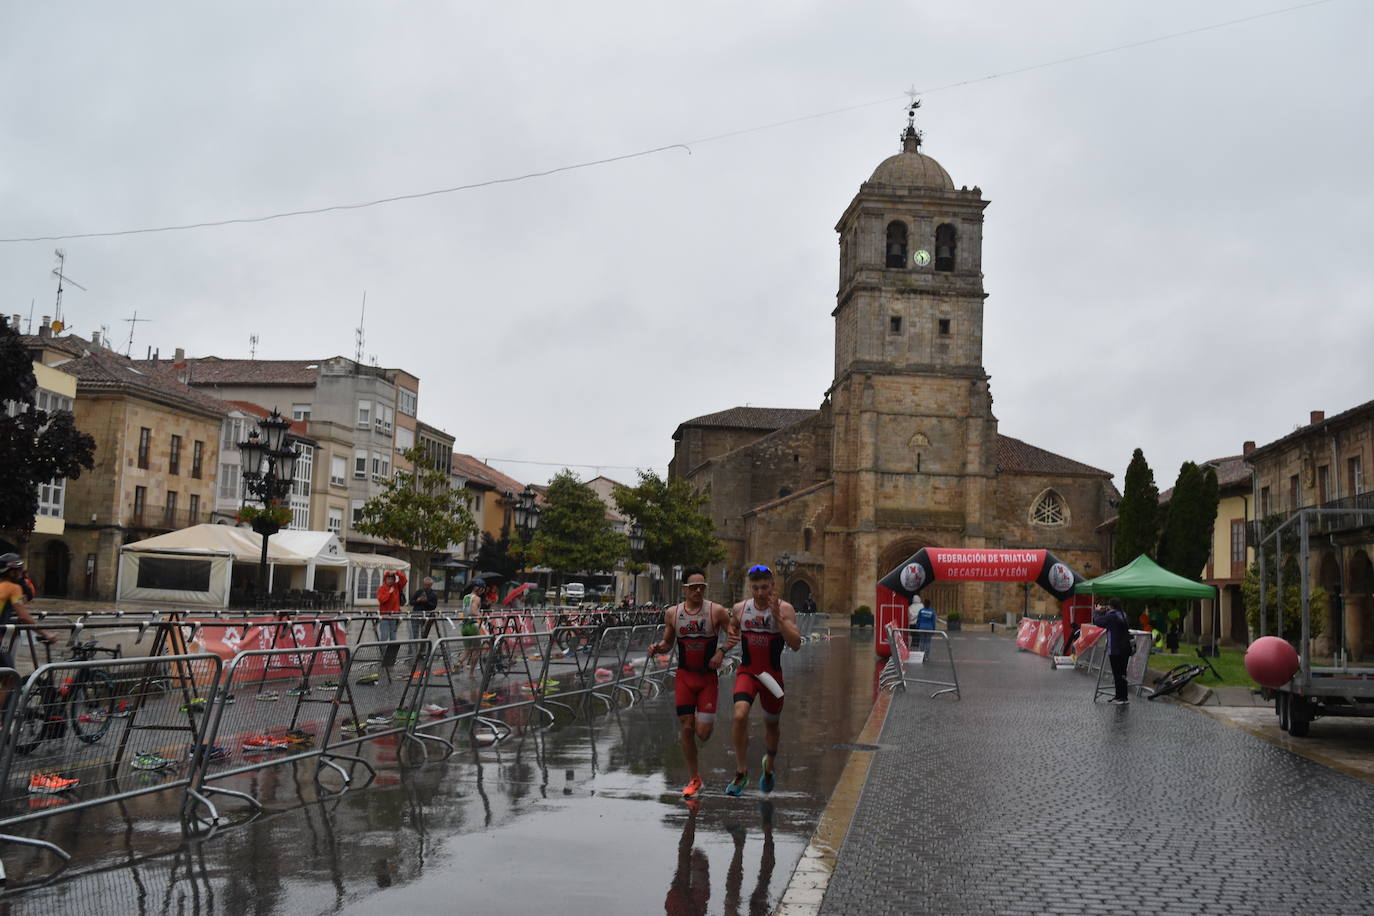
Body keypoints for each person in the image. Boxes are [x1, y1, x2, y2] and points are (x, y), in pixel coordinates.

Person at [648, 566, 737, 800]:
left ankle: (703, 721)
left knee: (703, 733)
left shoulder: (716, 611)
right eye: (694, 587)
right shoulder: (673, 614)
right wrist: (658, 648)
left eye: (702, 587)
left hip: (707, 679)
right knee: (686, 728)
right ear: (685, 588)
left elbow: (734, 635)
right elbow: (668, 643)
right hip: (685, 677)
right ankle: (695, 777)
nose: (698, 590)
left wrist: (721, 652)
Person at [727, 564, 802, 797]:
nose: (760, 593)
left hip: (772, 676)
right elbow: (731, 630)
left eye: (765, 588)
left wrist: (779, 619)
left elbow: (796, 643)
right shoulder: (741, 608)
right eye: (756, 588)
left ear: (773, 586)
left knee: (772, 725)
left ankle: (769, 766)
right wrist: (725, 644)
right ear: (750, 587)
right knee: (739, 715)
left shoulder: (786, 609)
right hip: (748, 671)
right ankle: (741, 772)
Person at [0, 554, 58, 710]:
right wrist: (45, 634)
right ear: (11, 571)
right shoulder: (14, 588)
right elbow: (24, 615)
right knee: (9, 678)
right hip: (1, 638)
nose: (20, 573)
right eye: (18, 569)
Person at [1093, 597, 1132, 704]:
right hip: (1125, 648)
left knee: (1117, 674)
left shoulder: (1111, 616)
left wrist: (1096, 612)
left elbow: (1098, 622)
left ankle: (1119, 697)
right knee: (1123, 673)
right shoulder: (1123, 614)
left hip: (1115, 649)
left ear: (1111, 606)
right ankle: (1124, 697)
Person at [376, 569, 408, 668]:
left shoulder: (397, 587)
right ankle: (382, 656)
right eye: (388, 578)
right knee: (384, 636)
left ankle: (391, 656)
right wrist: (389, 593)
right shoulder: (381, 588)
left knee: (393, 637)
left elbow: (404, 580)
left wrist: (397, 572)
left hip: (395, 616)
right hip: (385, 616)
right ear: (385, 579)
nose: (390, 580)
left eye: (392, 578)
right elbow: (381, 600)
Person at [410, 576, 439, 641]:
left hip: (426, 616)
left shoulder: (433, 594)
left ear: (431, 585)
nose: (426, 586)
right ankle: (413, 648)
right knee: (414, 633)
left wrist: (426, 601)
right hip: (416, 614)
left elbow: (433, 606)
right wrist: (417, 600)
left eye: (428, 585)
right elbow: (411, 602)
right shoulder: (419, 592)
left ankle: (422, 648)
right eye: (425, 584)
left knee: (424, 634)